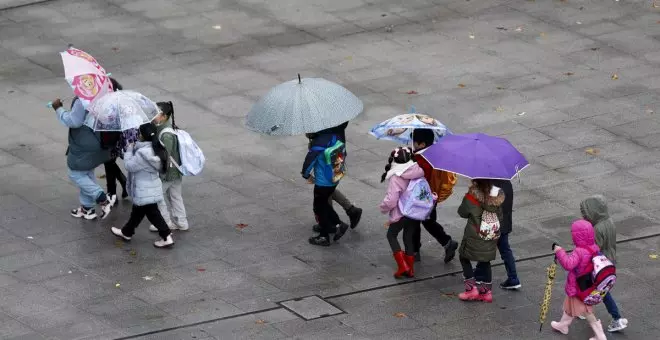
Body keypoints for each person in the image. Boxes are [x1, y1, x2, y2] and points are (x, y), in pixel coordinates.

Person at [51, 94, 113, 220]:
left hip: (84, 142)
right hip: (98, 139)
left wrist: (59, 109)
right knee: (87, 173)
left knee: (75, 173)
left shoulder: (83, 98)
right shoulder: (102, 94)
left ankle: (102, 198)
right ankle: (87, 208)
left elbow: (74, 121)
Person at [111, 123, 174, 248]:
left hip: (143, 189)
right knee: (138, 212)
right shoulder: (157, 147)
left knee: (152, 213)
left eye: (139, 133)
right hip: (150, 187)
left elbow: (129, 166)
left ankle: (166, 236)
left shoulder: (142, 153)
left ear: (143, 136)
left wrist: (129, 150)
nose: (137, 135)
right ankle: (127, 232)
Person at [551, 219, 607, 340]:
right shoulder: (594, 247)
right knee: (569, 304)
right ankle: (563, 325)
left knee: (586, 311)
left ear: (576, 236)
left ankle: (600, 335)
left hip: (578, 287)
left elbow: (568, 264)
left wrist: (559, 251)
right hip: (586, 284)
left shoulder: (579, 251)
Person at [580, 195, 628, 332]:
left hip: (599, 265)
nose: (584, 216)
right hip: (609, 261)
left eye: (585, 213)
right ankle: (585, 309)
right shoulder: (609, 221)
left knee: (601, 292)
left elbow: (594, 249)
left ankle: (617, 318)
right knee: (595, 289)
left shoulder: (597, 229)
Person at [411, 129, 458, 263]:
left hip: (423, 197)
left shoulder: (422, 160)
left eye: (415, 142)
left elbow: (418, 177)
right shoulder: (433, 154)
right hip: (431, 196)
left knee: (416, 222)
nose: (413, 144)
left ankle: (415, 251)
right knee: (426, 222)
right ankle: (445, 243)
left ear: (422, 144)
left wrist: (411, 162)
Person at [308, 122, 362, 234]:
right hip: (336, 149)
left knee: (323, 190)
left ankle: (329, 224)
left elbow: (314, 133)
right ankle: (350, 210)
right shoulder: (336, 114)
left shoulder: (324, 117)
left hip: (328, 151)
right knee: (327, 188)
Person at [379, 147, 424, 278]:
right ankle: (410, 269)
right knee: (408, 237)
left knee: (391, 235)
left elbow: (391, 200)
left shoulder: (396, 177)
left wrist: (383, 207)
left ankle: (402, 266)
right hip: (415, 211)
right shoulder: (418, 171)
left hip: (402, 213)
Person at [457, 179, 504, 303]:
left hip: (475, 234)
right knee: (485, 261)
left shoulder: (472, 195)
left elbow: (462, 212)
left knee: (463, 257)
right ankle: (486, 292)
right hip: (490, 235)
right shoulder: (496, 197)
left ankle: (471, 290)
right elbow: (500, 217)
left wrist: (467, 196)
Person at [148, 101, 190, 232]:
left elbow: (165, 156)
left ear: (164, 116)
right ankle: (181, 222)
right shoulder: (168, 128)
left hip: (168, 173)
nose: (153, 116)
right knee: (176, 196)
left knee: (157, 196)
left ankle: (164, 222)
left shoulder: (166, 134)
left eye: (156, 114)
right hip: (176, 171)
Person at [302, 129, 347, 246]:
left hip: (323, 182)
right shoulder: (334, 135)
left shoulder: (317, 144)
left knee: (319, 208)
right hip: (335, 177)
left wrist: (305, 175)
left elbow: (309, 162)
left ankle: (324, 236)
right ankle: (336, 225)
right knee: (324, 205)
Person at [491, 179, 522, 290]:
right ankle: (513, 278)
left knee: (485, 248)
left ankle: (480, 274)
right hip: (505, 222)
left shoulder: (494, 187)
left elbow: (490, 206)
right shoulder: (507, 183)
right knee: (505, 250)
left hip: (495, 224)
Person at [103, 78, 129, 203]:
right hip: (118, 138)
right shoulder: (120, 100)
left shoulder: (110, 105)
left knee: (108, 163)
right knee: (110, 163)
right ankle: (121, 184)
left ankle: (112, 193)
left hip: (111, 139)